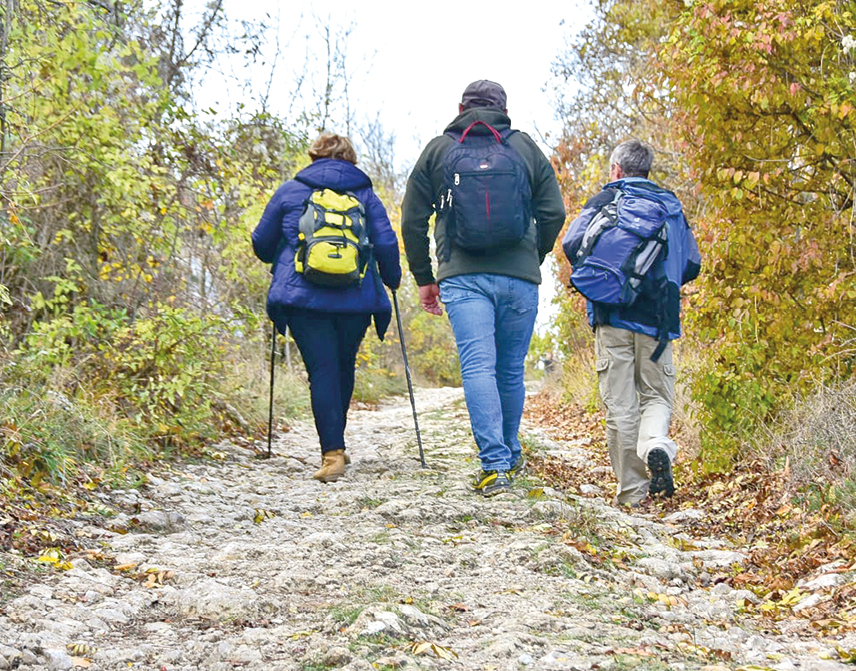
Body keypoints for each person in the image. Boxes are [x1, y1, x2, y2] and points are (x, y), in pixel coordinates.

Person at [402, 80, 566, 496]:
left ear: (460, 107)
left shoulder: (439, 150)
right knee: (510, 369)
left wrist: (425, 277)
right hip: (519, 276)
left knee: (478, 366)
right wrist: (535, 253)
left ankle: (494, 464)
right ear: (504, 109)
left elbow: (411, 219)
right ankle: (510, 453)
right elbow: (554, 211)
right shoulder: (525, 148)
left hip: (462, 276)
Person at [252, 132, 401, 483]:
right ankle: (337, 443)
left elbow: (261, 242)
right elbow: (386, 242)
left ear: (314, 155)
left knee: (321, 370)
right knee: (343, 367)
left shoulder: (291, 190)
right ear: (351, 159)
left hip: (304, 299)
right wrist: (391, 279)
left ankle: (332, 452)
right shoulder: (365, 194)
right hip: (356, 299)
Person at [561, 140, 701, 506]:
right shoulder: (671, 207)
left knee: (621, 406)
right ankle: (656, 444)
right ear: (647, 170)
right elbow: (693, 264)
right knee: (655, 396)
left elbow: (571, 244)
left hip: (612, 317)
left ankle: (632, 494)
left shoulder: (603, 202)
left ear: (617, 170)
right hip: (658, 322)